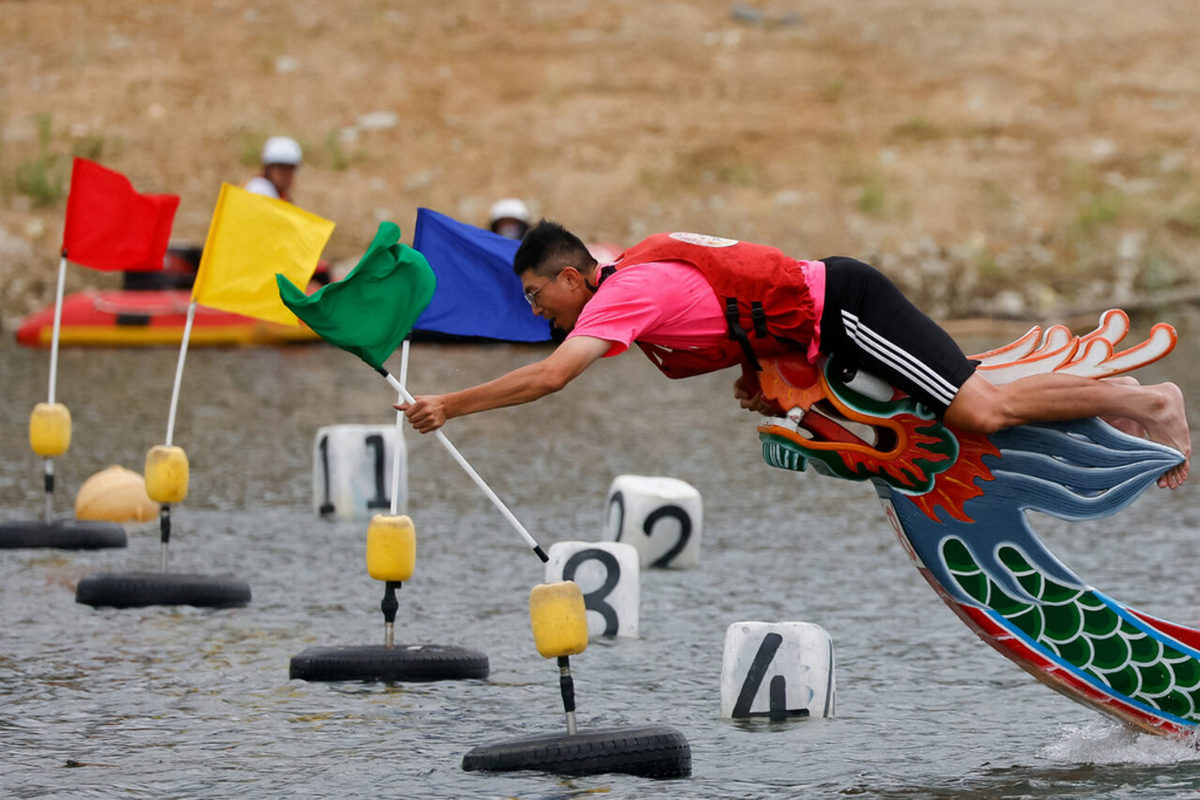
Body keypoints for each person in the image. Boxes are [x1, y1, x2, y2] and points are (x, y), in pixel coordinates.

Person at [399, 220, 1191, 489]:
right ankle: (1110, 412)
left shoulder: (620, 295)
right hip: (829, 326)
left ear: (573, 277)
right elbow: (722, 308)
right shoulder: (621, 272)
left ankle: (1149, 402)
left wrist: (449, 404)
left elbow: (549, 377)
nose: (537, 311)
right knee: (972, 398)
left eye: (539, 296)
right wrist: (759, 371)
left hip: (849, 307)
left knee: (979, 408)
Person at [245, 136, 302, 202]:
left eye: (290, 168)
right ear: (267, 168)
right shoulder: (260, 190)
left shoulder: (282, 195)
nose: (286, 174)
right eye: (281, 167)